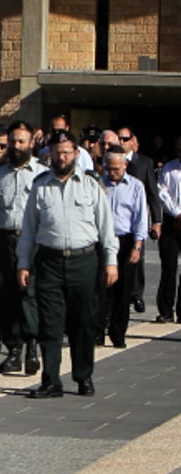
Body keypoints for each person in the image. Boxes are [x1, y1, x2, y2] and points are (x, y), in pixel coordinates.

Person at [18, 128, 118, 398]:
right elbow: (28, 229)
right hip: (49, 261)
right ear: (50, 155)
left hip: (84, 260)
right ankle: (51, 380)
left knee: (83, 323)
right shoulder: (40, 186)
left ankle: (83, 377)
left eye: (66, 152)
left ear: (76, 154)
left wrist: (111, 261)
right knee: (50, 324)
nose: (61, 157)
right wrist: (23, 263)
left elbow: (106, 226)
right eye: (57, 153)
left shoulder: (90, 185)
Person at [0, 120, 47, 375]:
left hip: (32, 242)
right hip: (3, 240)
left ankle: (31, 348)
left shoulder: (42, 173)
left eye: (21, 141)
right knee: (5, 296)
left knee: (28, 295)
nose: (16, 146)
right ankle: (13, 350)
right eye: (13, 141)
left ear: (30, 143)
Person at [97, 147, 148, 348]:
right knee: (101, 289)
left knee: (123, 289)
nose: (112, 173)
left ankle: (118, 332)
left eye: (116, 169)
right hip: (103, 239)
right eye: (109, 168)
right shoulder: (100, 184)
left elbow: (140, 218)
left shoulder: (135, 186)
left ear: (125, 165)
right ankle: (98, 331)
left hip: (125, 240)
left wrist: (138, 245)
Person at [118, 126, 162, 314]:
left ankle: (136, 294)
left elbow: (153, 194)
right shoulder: (109, 161)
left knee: (136, 259)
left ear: (132, 141)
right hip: (117, 221)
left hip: (138, 220)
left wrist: (157, 221)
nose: (121, 142)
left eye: (125, 139)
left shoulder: (144, 163)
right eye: (118, 138)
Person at [157, 136, 181, 324]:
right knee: (169, 268)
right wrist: (177, 213)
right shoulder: (168, 168)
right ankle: (166, 310)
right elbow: (162, 193)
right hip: (172, 223)